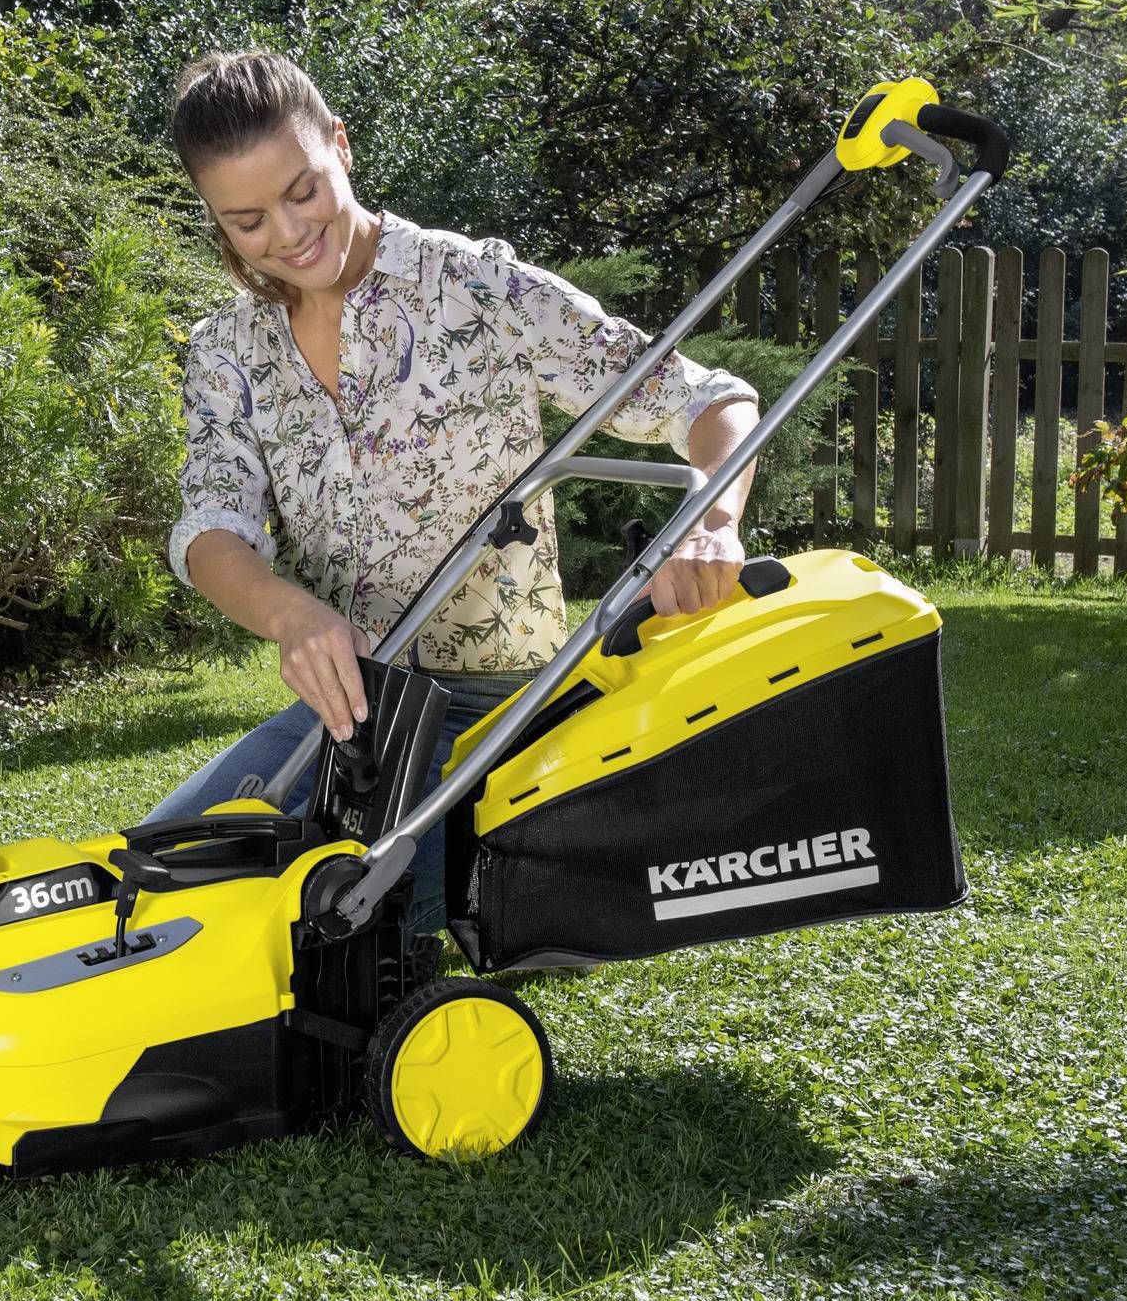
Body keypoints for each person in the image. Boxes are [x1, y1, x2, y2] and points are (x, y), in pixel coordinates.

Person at [142, 48, 764, 935]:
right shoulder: (226, 352)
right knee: (160, 876)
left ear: (341, 146)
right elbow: (211, 527)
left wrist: (711, 522)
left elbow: (708, 402)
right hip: (359, 709)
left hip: (508, 710)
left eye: (303, 192)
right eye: (247, 220)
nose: (287, 233)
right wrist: (291, 618)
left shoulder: (477, 287)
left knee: (312, 922)